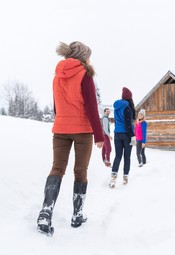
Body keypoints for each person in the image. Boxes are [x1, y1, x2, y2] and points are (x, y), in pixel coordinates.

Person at [36, 41, 104, 236]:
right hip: (82, 130)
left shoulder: (57, 75)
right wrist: (99, 135)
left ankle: (45, 212)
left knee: (57, 168)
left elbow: (56, 107)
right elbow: (91, 107)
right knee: (80, 171)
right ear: (83, 56)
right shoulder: (86, 74)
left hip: (61, 129)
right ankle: (77, 215)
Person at [109, 87, 136, 188]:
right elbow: (128, 124)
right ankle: (125, 177)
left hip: (117, 134)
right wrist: (132, 136)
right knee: (126, 157)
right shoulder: (127, 107)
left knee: (118, 156)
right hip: (126, 134)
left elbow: (117, 121)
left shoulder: (116, 107)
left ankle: (113, 178)